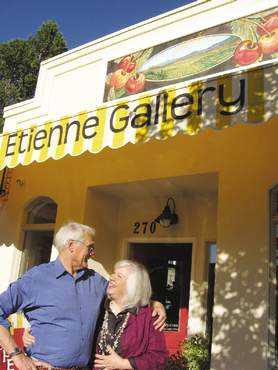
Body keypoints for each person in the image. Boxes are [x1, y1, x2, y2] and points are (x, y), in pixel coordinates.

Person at [0, 222, 166, 370]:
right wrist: (17, 355)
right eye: (90, 247)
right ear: (71, 245)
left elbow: (127, 294)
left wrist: (154, 304)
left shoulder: (95, 281)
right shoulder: (36, 279)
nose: (93, 253)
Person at [93, 260, 168, 370]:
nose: (111, 277)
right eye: (113, 273)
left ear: (133, 285)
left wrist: (124, 364)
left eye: (119, 276)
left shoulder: (149, 317)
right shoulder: (98, 309)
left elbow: (159, 358)